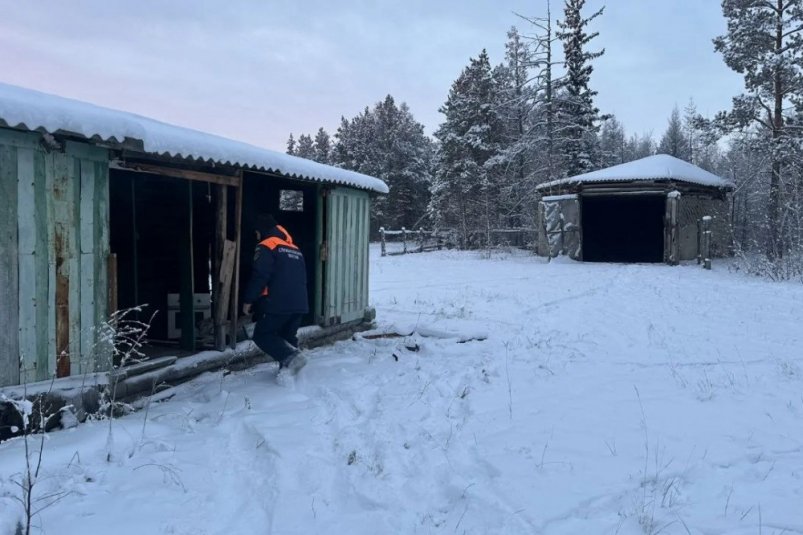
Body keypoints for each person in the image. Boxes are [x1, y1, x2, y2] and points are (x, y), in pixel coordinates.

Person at [242, 214, 308, 373]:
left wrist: (248, 300)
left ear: (262, 230)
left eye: (257, 232)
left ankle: (292, 359)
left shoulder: (267, 245)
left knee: (262, 335)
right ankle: (291, 376)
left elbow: (260, 275)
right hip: (299, 303)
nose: (256, 236)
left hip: (278, 303)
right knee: (287, 339)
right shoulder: (295, 249)